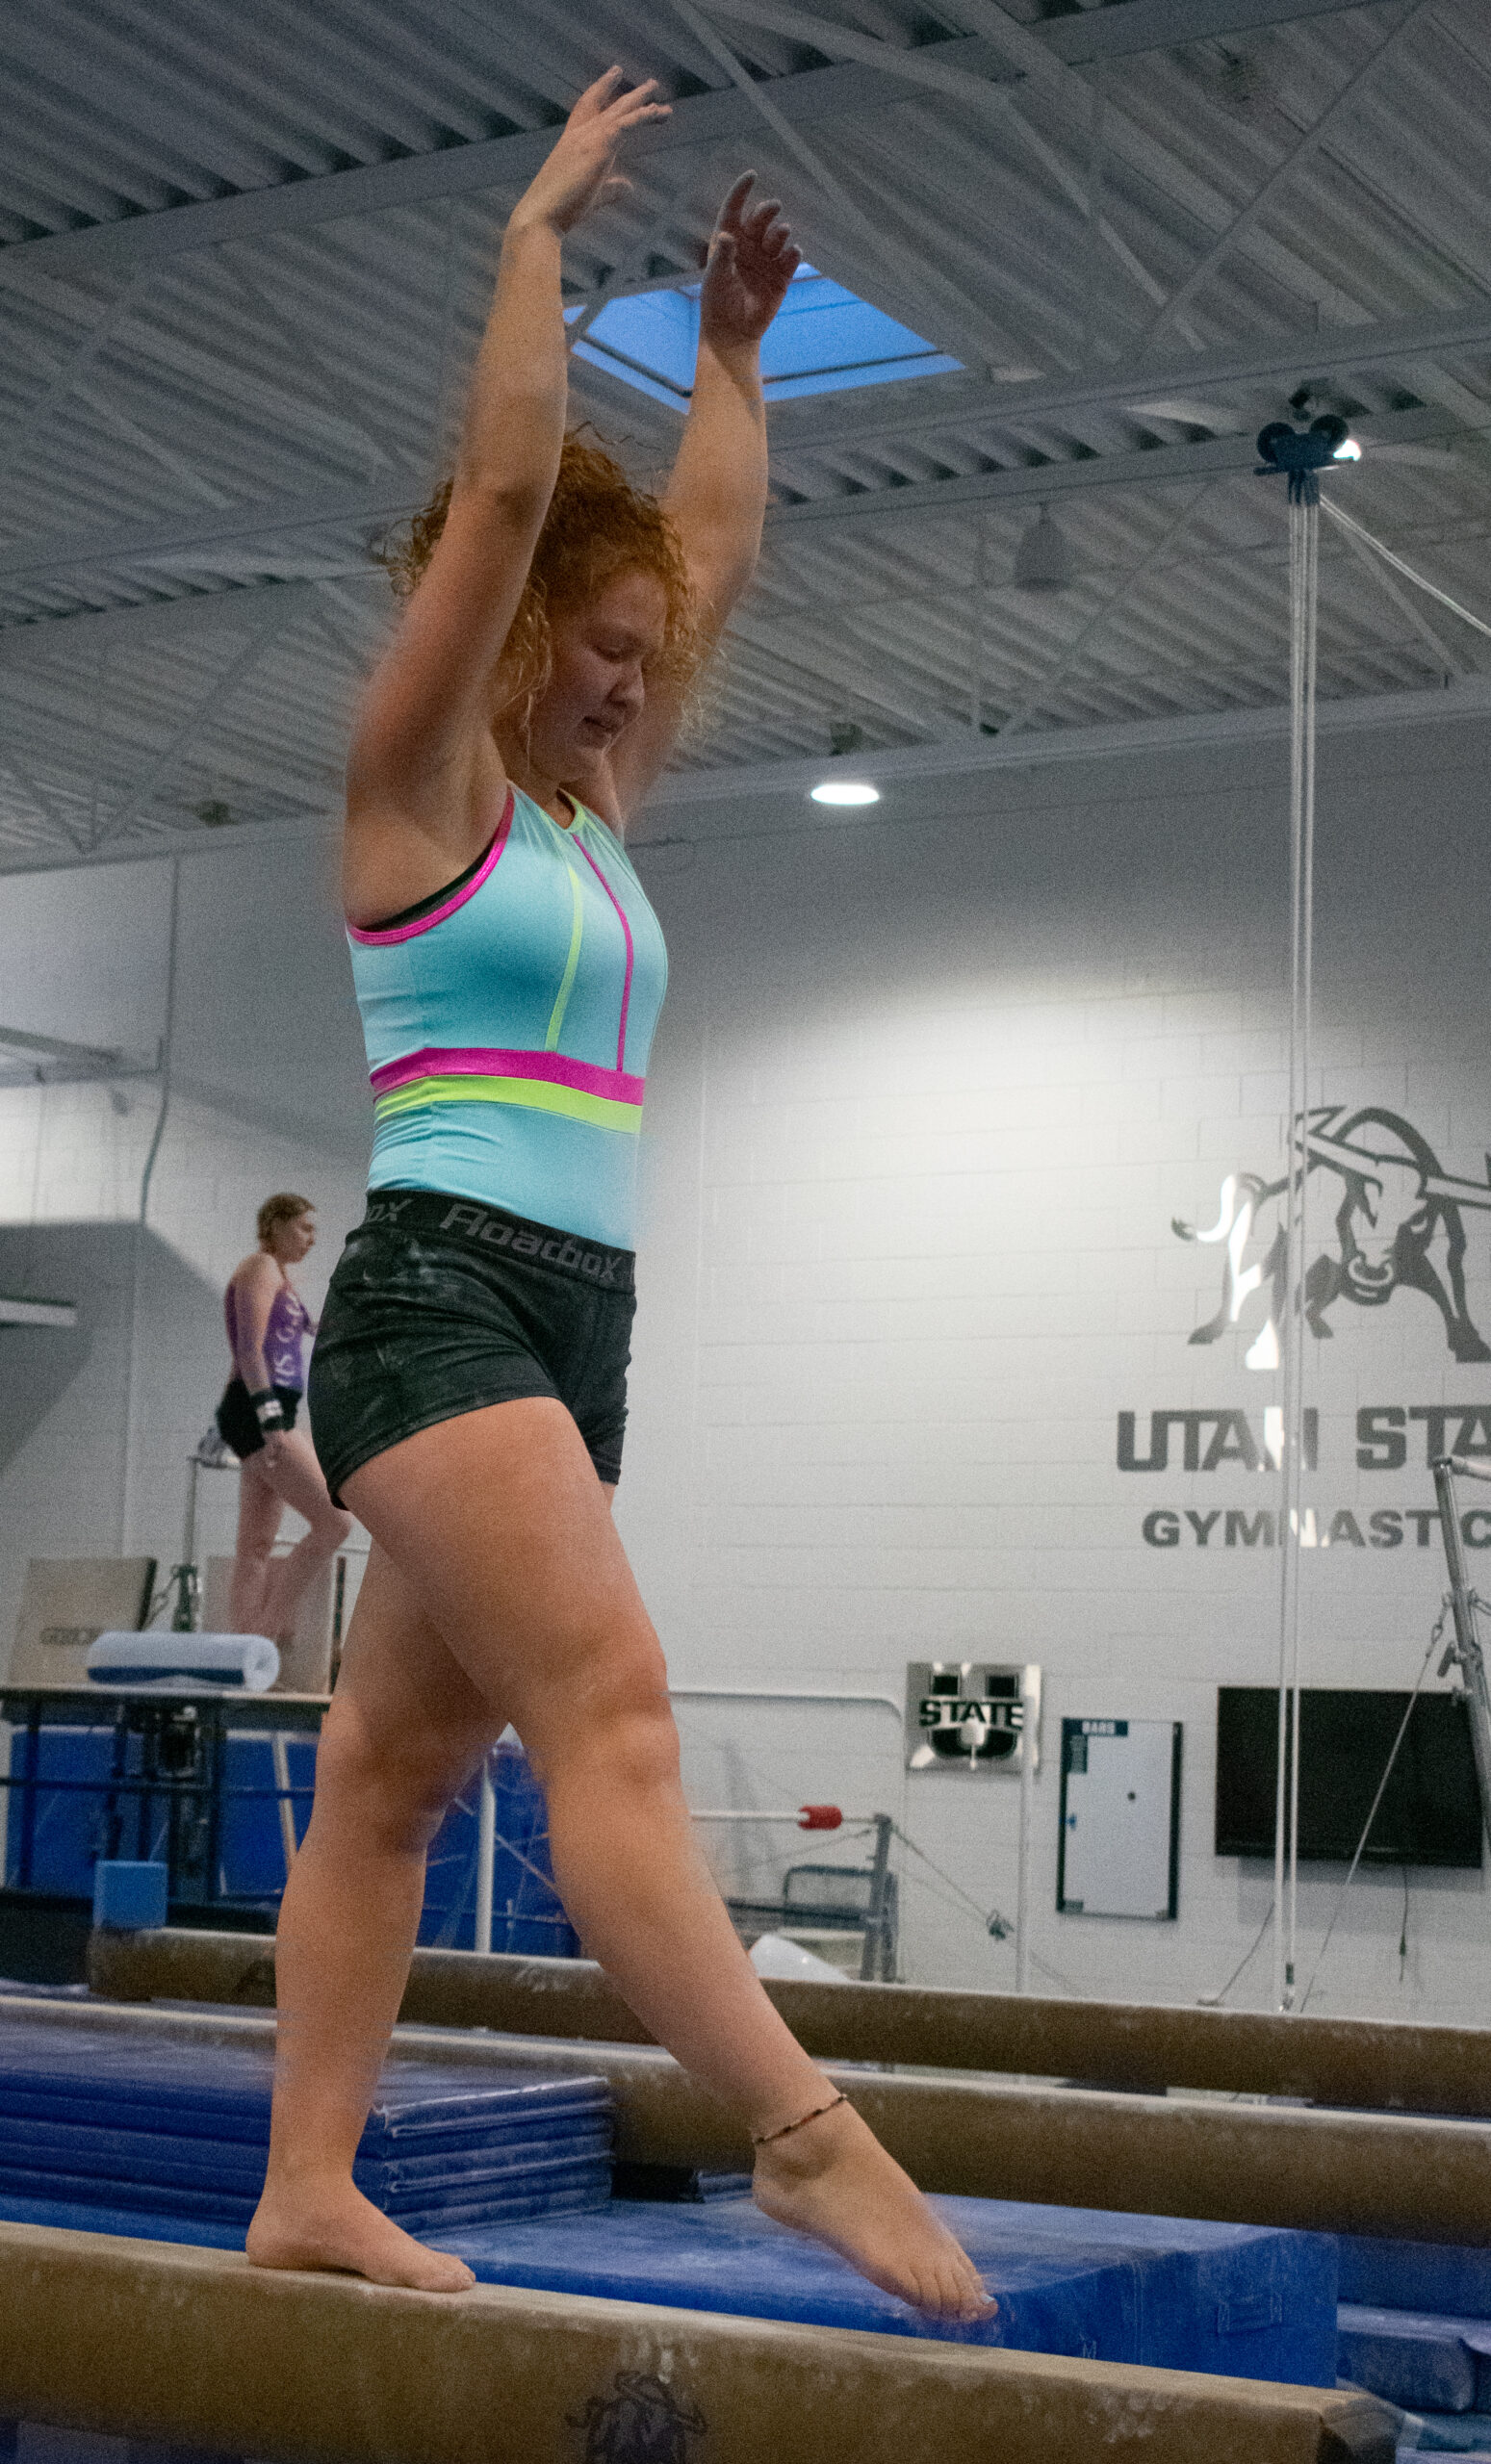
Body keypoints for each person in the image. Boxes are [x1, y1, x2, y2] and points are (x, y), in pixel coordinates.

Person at [245, 69, 994, 2326]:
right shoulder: (415, 793)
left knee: (387, 1770)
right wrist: (534, 242)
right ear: (510, 631)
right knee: (622, 1715)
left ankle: (303, 2181)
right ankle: (805, 2132)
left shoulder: (590, 814)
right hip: (444, 1297)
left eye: (647, 661)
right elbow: (502, 488)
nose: (635, 676)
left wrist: (743, 362)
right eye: (599, 644)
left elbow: (719, 547)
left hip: (579, 1322)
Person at [218, 1194, 352, 1646]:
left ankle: (242, 1654)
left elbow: (302, 1334)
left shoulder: (280, 1279)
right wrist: (271, 1419)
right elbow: (250, 1350)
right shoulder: (259, 1268)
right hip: (259, 1410)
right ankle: (264, 1635)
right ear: (276, 1224)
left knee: (255, 1545)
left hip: (265, 1409)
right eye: (305, 1228)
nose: (313, 1240)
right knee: (335, 1523)